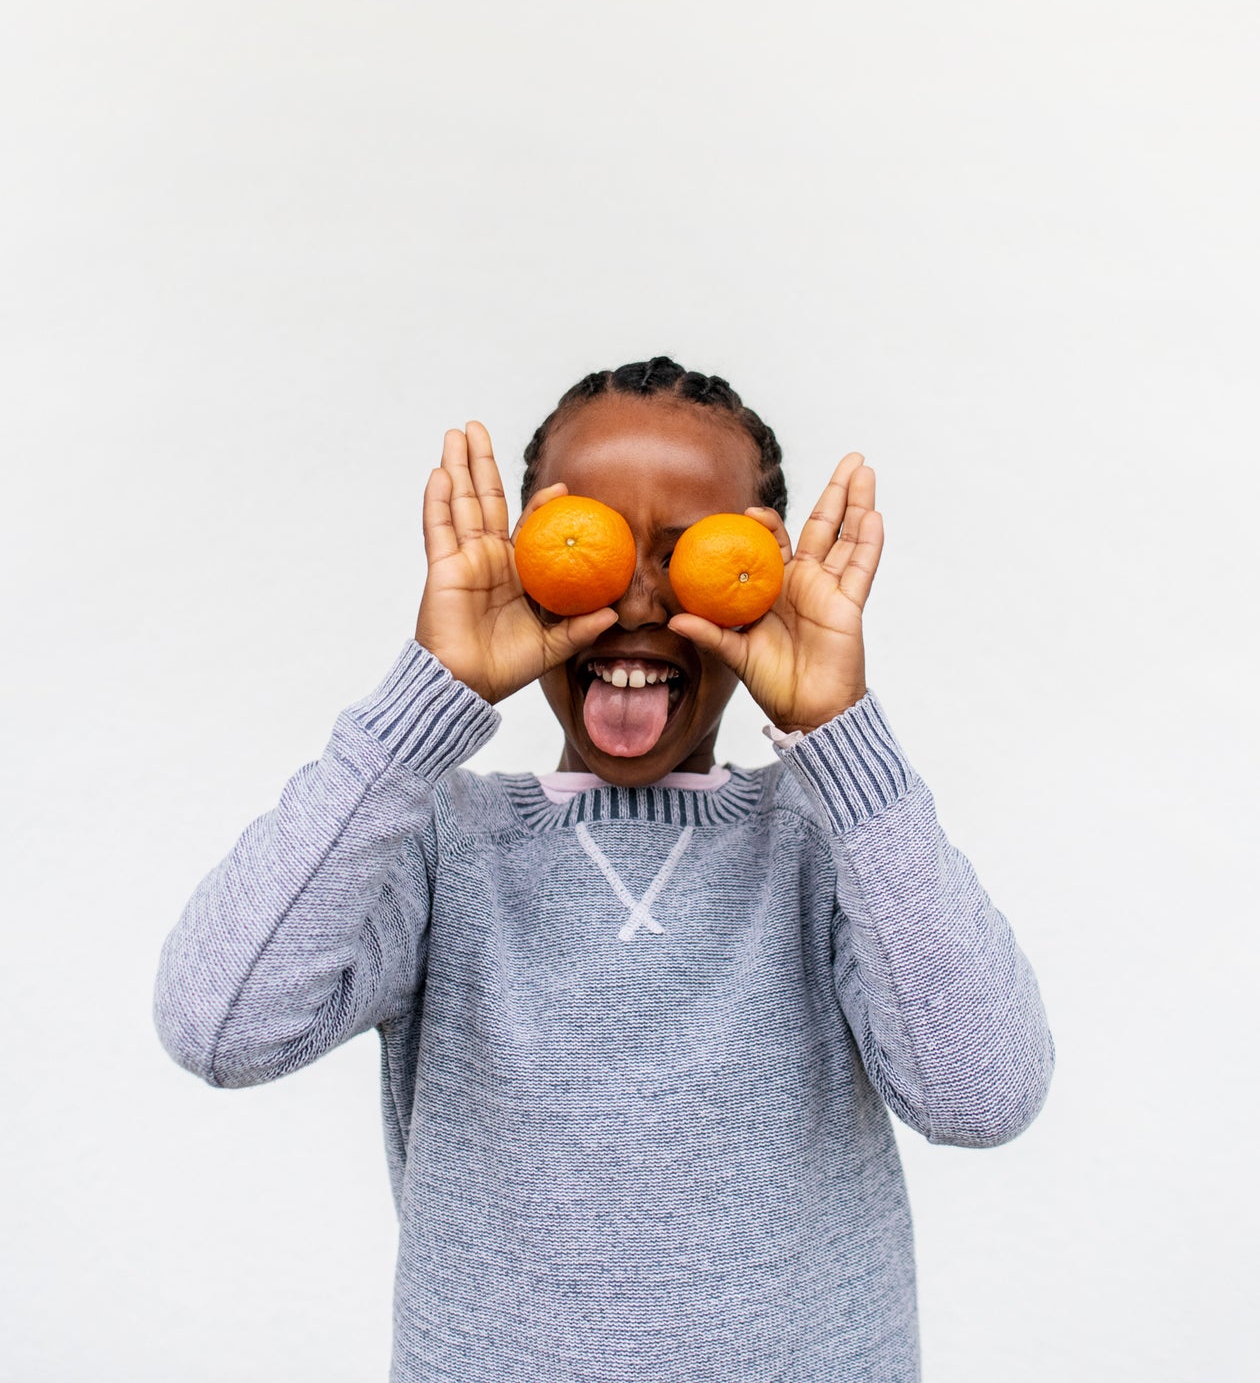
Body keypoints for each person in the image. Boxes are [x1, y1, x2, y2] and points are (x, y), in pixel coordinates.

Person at [153, 355, 1055, 1383]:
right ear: (525, 552)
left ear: (762, 577)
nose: (634, 602)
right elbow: (218, 1025)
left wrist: (841, 737)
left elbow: (983, 1094)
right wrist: (419, 709)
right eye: (597, 545)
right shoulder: (443, 841)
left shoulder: (830, 842)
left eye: (688, 555)